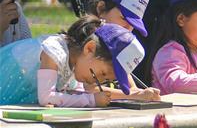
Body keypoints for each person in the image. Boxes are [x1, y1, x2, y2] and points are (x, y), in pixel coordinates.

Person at [0, 18, 148, 106]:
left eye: (106, 80)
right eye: (102, 73)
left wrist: (135, 95)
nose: (97, 82)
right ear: (89, 49)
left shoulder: (78, 63)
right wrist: (91, 101)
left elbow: (79, 94)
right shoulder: (54, 52)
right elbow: (46, 97)